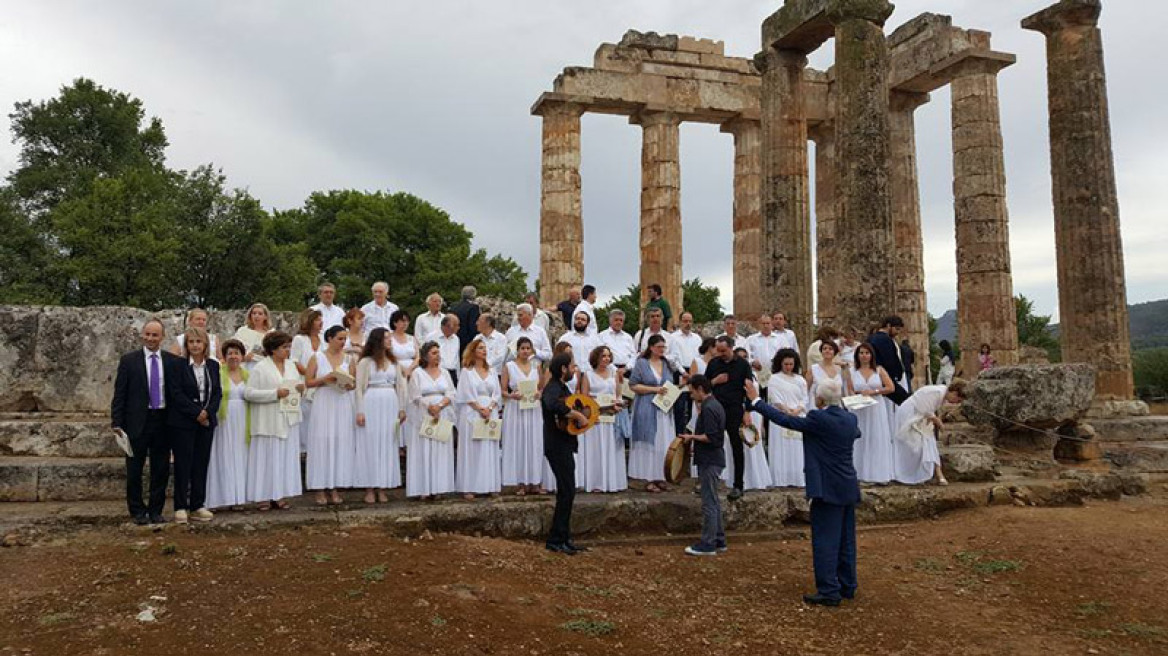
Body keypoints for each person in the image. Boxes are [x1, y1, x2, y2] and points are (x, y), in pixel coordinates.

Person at [747, 378, 861, 607]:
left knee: (826, 540)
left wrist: (756, 401)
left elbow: (785, 420)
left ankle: (829, 590)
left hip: (826, 487)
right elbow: (856, 434)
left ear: (819, 399)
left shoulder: (818, 419)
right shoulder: (850, 419)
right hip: (847, 484)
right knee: (846, 539)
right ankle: (847, 585)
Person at [111, 319, 179, 525]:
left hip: (163, 421)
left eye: (155, 335)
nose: (150, 338)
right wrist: (116, 422)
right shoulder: (129, 360)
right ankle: (137, 511)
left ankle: (156, 510)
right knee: (134, 469)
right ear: (142, 335)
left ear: (162, 337)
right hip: (136, 422)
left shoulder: (171, 361)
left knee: (160, 469)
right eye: (147, 334)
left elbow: (175, 393)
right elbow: (120, 393)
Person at [165, 326, 223, 524]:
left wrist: (207, 412)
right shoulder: (177, 365)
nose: (195, 345)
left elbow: (217, 393)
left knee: (201, 463)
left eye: (199, 341)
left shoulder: (213, 366)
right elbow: (175, 393)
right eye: (191, 342)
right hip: (183, 422)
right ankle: (181, 506)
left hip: (206, 422)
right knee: (183, 464)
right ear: (186, 345)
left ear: (205, 344)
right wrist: (196, 413)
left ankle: (198, 504)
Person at [244, 331, 305, 511]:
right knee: (266, 458)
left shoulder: (292, 366)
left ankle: (279, 495)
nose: (288, 350)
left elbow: (297, 384)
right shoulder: (260, 368)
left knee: (283, 458)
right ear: (273, 349)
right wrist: (274, 394)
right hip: (267, 420)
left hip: (288, 417)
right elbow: (249, 393)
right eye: (284, 347)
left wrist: (300, 389)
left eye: (288, 347)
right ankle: (262, 496)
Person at [541, 353, 590, 555]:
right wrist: (577, 415)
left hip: (565, 444)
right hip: (556, 445)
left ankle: (563, 537)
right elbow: (552, 404)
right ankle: (555, 539)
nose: (575, 369)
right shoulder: (553, 387)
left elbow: (571, 406)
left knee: (568, 491)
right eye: (572, 366)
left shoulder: (564, 388)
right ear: (563, 369)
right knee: (566, 490)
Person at [354, 327, 408, 503]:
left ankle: (383, 487)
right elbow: (359, 388)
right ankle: (369, 487)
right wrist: (360, 411)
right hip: (371, 402)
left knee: (387, 444)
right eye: (386, 338)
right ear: (378, 341)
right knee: (370, 444)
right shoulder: (366, 363)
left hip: (390, 402)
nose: (390, 340)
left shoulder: (394, 363)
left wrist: (402, 408)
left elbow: (401, 386)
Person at [305, 325, 357, 506]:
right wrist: (325, 379)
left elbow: (353, 383)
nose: (343, 342)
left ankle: (335, 486)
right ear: (330, 338)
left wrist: (347, 383)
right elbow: (308, 382)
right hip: (324, 401)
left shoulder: (349, 359)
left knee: (339, 442)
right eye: (340, 338)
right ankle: (319, 488)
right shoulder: (317, 357)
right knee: (322, 442)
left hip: (341, 401)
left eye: (345, 339)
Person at [679, 374, 726, 556]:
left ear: (700, 389)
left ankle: (708, 543)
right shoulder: (714, 405)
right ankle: (719, 539)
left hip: (710, 459)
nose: (691, 395)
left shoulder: (708, 408)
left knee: (709, 502)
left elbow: (712, 437)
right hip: (713, 459)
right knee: (713, 501)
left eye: (692, 392)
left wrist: (691, 437)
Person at [405, 342, 457, 499]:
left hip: (442, 414)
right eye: (434, 353)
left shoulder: (445, 373)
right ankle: (424, 488)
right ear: (426, 355)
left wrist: (440, 406)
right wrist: (430, 407)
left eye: (438, 352)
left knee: (441, 451)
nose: (438, 356)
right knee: (425, 451)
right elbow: (414, 396)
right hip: (424, 414)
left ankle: (440, 487)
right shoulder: (418, 374)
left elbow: (451, 393)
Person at [704, 336, 753, 500]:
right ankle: (708, 482)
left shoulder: (743, 365)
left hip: (734, 409)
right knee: (711, 443)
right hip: (716, 408)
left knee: (736, 445)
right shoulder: (713, 364)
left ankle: (738, 485)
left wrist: (748, 411)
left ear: (731, 348)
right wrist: (715, 381)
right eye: (718, 350)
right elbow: (703, 387)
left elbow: (750, 389)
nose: (720, 353)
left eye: (723, 350)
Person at [893, 380, 968, 486]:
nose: (955, 403)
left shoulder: (941, 394)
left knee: (929, 440)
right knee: (921, 441)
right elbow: (923, 407)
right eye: (957, 400)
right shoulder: (936, 392)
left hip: (919, 416)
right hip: (910, 414)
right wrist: (937, 420)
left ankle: (937, 472)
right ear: (954, 393)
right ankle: (928, 473)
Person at [627, 335, 677, 493]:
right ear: (651, 347)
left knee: (663, 441)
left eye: (664, 347)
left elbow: (670, 384)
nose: (662, 350)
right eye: (659, 347)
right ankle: (647, 477)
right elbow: (633, 385)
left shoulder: (666, 364)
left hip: (663, 408)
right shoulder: (642, 363)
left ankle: (660, 476)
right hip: (646, 406)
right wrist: (654, 390)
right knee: (649, 441)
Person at [456, 340, 504, 499]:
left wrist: (490, 408)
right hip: (473, 411)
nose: (484, 351)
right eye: (480, 348)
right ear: (473, 351)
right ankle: (470, 486)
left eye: (485, 348)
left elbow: (496, 393)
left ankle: (490, 484)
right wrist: (479, 408)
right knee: (473, 448)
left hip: (490, 410)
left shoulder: (491, 371)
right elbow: (465, 393)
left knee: (489, 447)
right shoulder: (467, 372)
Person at [205, 339, 249, 511]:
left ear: (242, 356)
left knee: (240, 456)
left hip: (242, 418)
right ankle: (216, 499)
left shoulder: (248, 375)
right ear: (224, 356)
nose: (233, 356)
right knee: (221, 455)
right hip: (223, 419)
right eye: (230, 353)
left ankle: (237, 498)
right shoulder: (217, 373)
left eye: (237, 353)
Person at [577, 346, 628, 493]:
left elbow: (618, 395)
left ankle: (612, 481)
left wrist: (618, 404)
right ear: (596, 358)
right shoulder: (588, 375)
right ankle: (596, 482)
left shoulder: (614, 374)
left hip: (611, 416)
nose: (606, 359)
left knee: (611, 448)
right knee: (596, 449)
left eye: (608, 356)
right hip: (596, 416)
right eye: (603, 356)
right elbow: (584, 398)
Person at [501, 337, 544, 495]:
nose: (525, 351)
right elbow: (503, 389)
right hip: (516, 408)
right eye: (523, 348)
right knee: (518, 442)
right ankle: (520, 483)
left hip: (533, 408)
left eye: (528, 348)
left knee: (534, 442)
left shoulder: (536, 366)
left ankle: (535, 481)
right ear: (517, 350)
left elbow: (541, 387)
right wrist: (512, 396)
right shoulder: (509, 366)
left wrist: (539, 393)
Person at [849, 342, 896, 484]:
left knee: (876, 436)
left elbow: (890, 387)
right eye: (861, 353)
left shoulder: (879, 370)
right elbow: (850, 389)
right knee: (860, 438)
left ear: (871, 355)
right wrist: (858, 395)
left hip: (876, 407)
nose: (864, 356)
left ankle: (878, 473)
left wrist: (874, 391)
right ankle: (860, 472)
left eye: (867, 353)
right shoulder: (852, 372)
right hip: (859, 407)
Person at [768, 348, 808, 488]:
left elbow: (805, 398)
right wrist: (786, 410)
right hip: (780, 416)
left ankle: (797, 478)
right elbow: (774, 398)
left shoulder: (800, 380)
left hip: (797, 415)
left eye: (791, 364)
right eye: (786, 364)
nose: (788, 367)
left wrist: (797, 410)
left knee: (796, 448)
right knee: (781, 448)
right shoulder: (774, 378)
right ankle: (781, 479)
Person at [290, 309, 323, 452]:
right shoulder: (300, 339)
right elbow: (295, 361)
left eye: (321, 319)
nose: (320, 322)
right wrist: (310, 375)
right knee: (304, 417)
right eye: (317, 319)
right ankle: (303, 450)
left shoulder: (324, 340)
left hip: (320, 383)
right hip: (304, 382)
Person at [671, 312, 703, 435]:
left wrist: (694, 373)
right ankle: (678, 434)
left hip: (695, 373)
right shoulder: (673, 337)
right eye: (685, 321)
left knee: (694, 405)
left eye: (690, 321)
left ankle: (692, 434)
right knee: (679, 405)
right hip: (680, 373)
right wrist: (683, 372)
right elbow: (673, 357)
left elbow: (699, 356)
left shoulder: (697, 338)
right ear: (680, 322)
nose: (688, 324)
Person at [869, 316, 909, 404]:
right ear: (888, 325)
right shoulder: (885, 340)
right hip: (885, 377)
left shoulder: (871, 338)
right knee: (906, 402)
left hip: (875, 376)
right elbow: (889, 361)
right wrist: (896, 374)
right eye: (896, 329)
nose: (897, 332)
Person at [233, 302, 272, 369]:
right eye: (254, 313)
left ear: (265, 316)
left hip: (264, 366)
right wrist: (243, 357)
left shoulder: (271, 333)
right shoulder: (242, 331)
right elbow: (234, 347)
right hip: (244, 365)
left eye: (260, 314)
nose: (256, 316)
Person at [427, 314, 462, 386]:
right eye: (456, 325)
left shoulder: (456, 339)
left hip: (452, 373)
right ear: (448, 326)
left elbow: (456, 359)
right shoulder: (432, 337)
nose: (458, 328)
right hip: (438, 372)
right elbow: (426, 356)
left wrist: (458, 376)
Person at [388, 310, 420, 378]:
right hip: (395, 369)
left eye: (407, 321)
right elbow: (389, 356)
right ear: (395, 323)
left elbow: (418, 357)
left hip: (413, 370)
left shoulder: (412, 338)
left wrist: (410, 369)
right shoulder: (389, 338)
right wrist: (402, 369)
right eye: (403, 321)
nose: (405, 323)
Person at [451, 285, 481, 353]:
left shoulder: (453, 306)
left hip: (453, 339)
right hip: (467, 342)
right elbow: (473, 327)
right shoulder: (473, 308)